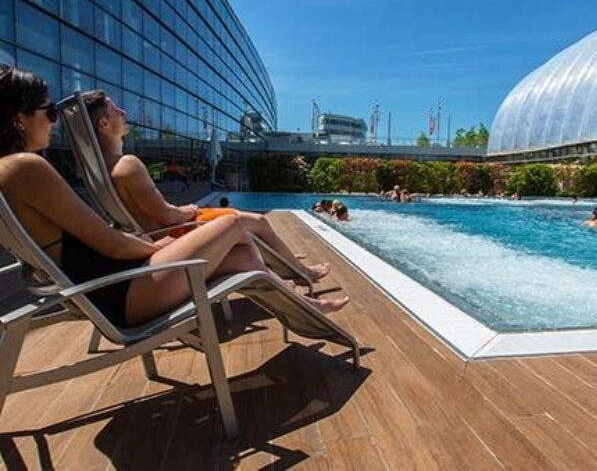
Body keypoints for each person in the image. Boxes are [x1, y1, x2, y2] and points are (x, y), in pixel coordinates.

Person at [0, 66, 349, 327]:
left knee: (242, 254)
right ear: (18, 119)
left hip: (112, 288)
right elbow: (113, 246)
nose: (54, 122)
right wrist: (160, 247)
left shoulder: (10, 172)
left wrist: (159, 245)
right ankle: (304, 296)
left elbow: (103, 243)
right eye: (48, 112)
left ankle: (304, 307)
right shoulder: (24, 168)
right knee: (233, 224)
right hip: (124, 293)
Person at [83, 92, 331, 283]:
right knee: (258, 222)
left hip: (161, 234)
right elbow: (166, 216)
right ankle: (302, 272)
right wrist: (190, 209)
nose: (123, 112)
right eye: (115, 110)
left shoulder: (102, 169)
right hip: (175, 234)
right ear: (104, 124)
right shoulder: (128, 164)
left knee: (251, 227)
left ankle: (284, 261)